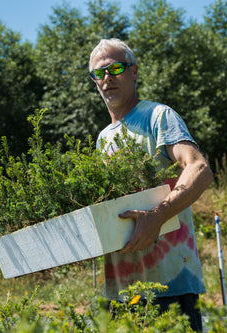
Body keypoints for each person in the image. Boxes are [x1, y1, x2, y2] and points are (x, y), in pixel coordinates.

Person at [89, 38, 214, 332]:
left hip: (169, 287)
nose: (107, 78)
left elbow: (199, 168)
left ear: (134, 72)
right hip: (121, 292)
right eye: (99, 73)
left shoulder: (157, 116)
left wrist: (157, 216)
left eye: (115, 68)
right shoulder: (103, 138)